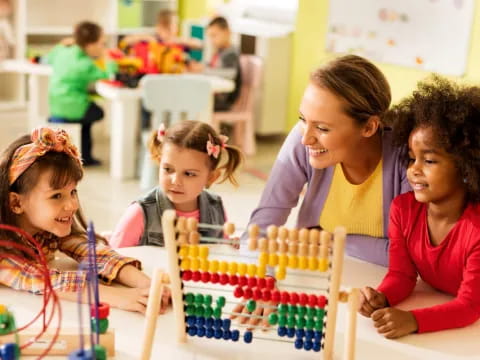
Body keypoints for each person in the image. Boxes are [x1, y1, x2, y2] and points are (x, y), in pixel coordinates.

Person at [244, 54, 410, 267]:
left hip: (380, 286)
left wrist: (326, 240)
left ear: (369, 127)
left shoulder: (406, 159)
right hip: (315, 274)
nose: (306, 138)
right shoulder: (302, 140)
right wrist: (263, 280)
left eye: (323, 128)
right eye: (303, 119)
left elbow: (406, 254)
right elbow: (258, 231)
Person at [358, 76, 480, 338]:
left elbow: (469, 307)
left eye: (430, 161)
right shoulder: (403, 210)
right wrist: (383, 297)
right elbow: (401, 274)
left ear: (466, 166)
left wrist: (413, 320)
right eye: (412, 158)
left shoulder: (476, 230)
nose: (413, 170)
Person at [0, 127, 169, 314]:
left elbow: (88, 250)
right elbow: (38, 279)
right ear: (16, 202)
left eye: (73, 192)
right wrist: (120, 297)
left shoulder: (46, 227)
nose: (72, 204)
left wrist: (147, 283)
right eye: (56, 196)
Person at [110, 120, 243, 248]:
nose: (175, 181)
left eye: (189, 174)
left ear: (211, 177)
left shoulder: (215, 207)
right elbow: (113, 261)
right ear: (159, 161)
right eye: (168, 169)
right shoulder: (140, 213)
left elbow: (220, 251)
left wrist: (229, 245)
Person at [47, 21, 117, 166]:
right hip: (74, 107)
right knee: (97, 112)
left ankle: (84, 155)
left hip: (55, 105)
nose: (103, 47)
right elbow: (110, 75)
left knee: (86, 122)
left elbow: (48, 58)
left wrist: (62, 44)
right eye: (101, 44)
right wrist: (108, 57)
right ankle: (86, 157)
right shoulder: (85, 64)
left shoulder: (63, 51)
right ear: (90, 45)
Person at [191, 16, 241, 111]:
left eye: (214, 35)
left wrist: (204, 70)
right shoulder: (220, 51)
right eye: (210, 36)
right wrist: (201, 67)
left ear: (227, 32)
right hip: (216, 97)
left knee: (193, 101)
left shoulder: (231, 52)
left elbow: (231, 73)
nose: (212, 40)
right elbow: (213, 67)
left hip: (224, 99)